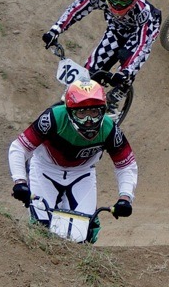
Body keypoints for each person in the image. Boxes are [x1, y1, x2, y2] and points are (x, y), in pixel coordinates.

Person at [8, 78, 137, 243]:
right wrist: (20, 181)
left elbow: (126, 165)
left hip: (81, 173)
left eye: (94, 112)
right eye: (81, 113)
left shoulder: (109, 129)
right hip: (46, 169)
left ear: (103, 111)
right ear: (69, 111)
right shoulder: (52, 118)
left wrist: (125, 198)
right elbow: (19, 147)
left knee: (83, 235)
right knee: (41, 230)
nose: (89, 120)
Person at [42, 0, 162, 101]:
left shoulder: (143, 12)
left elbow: (141, 46)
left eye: (123, 0)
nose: (117, 4)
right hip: (116, 29)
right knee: (90, 69)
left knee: (127, 58)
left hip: (140, 33)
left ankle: (123, 89)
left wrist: (125, 72)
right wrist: (56, 29)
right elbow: (76, 8)